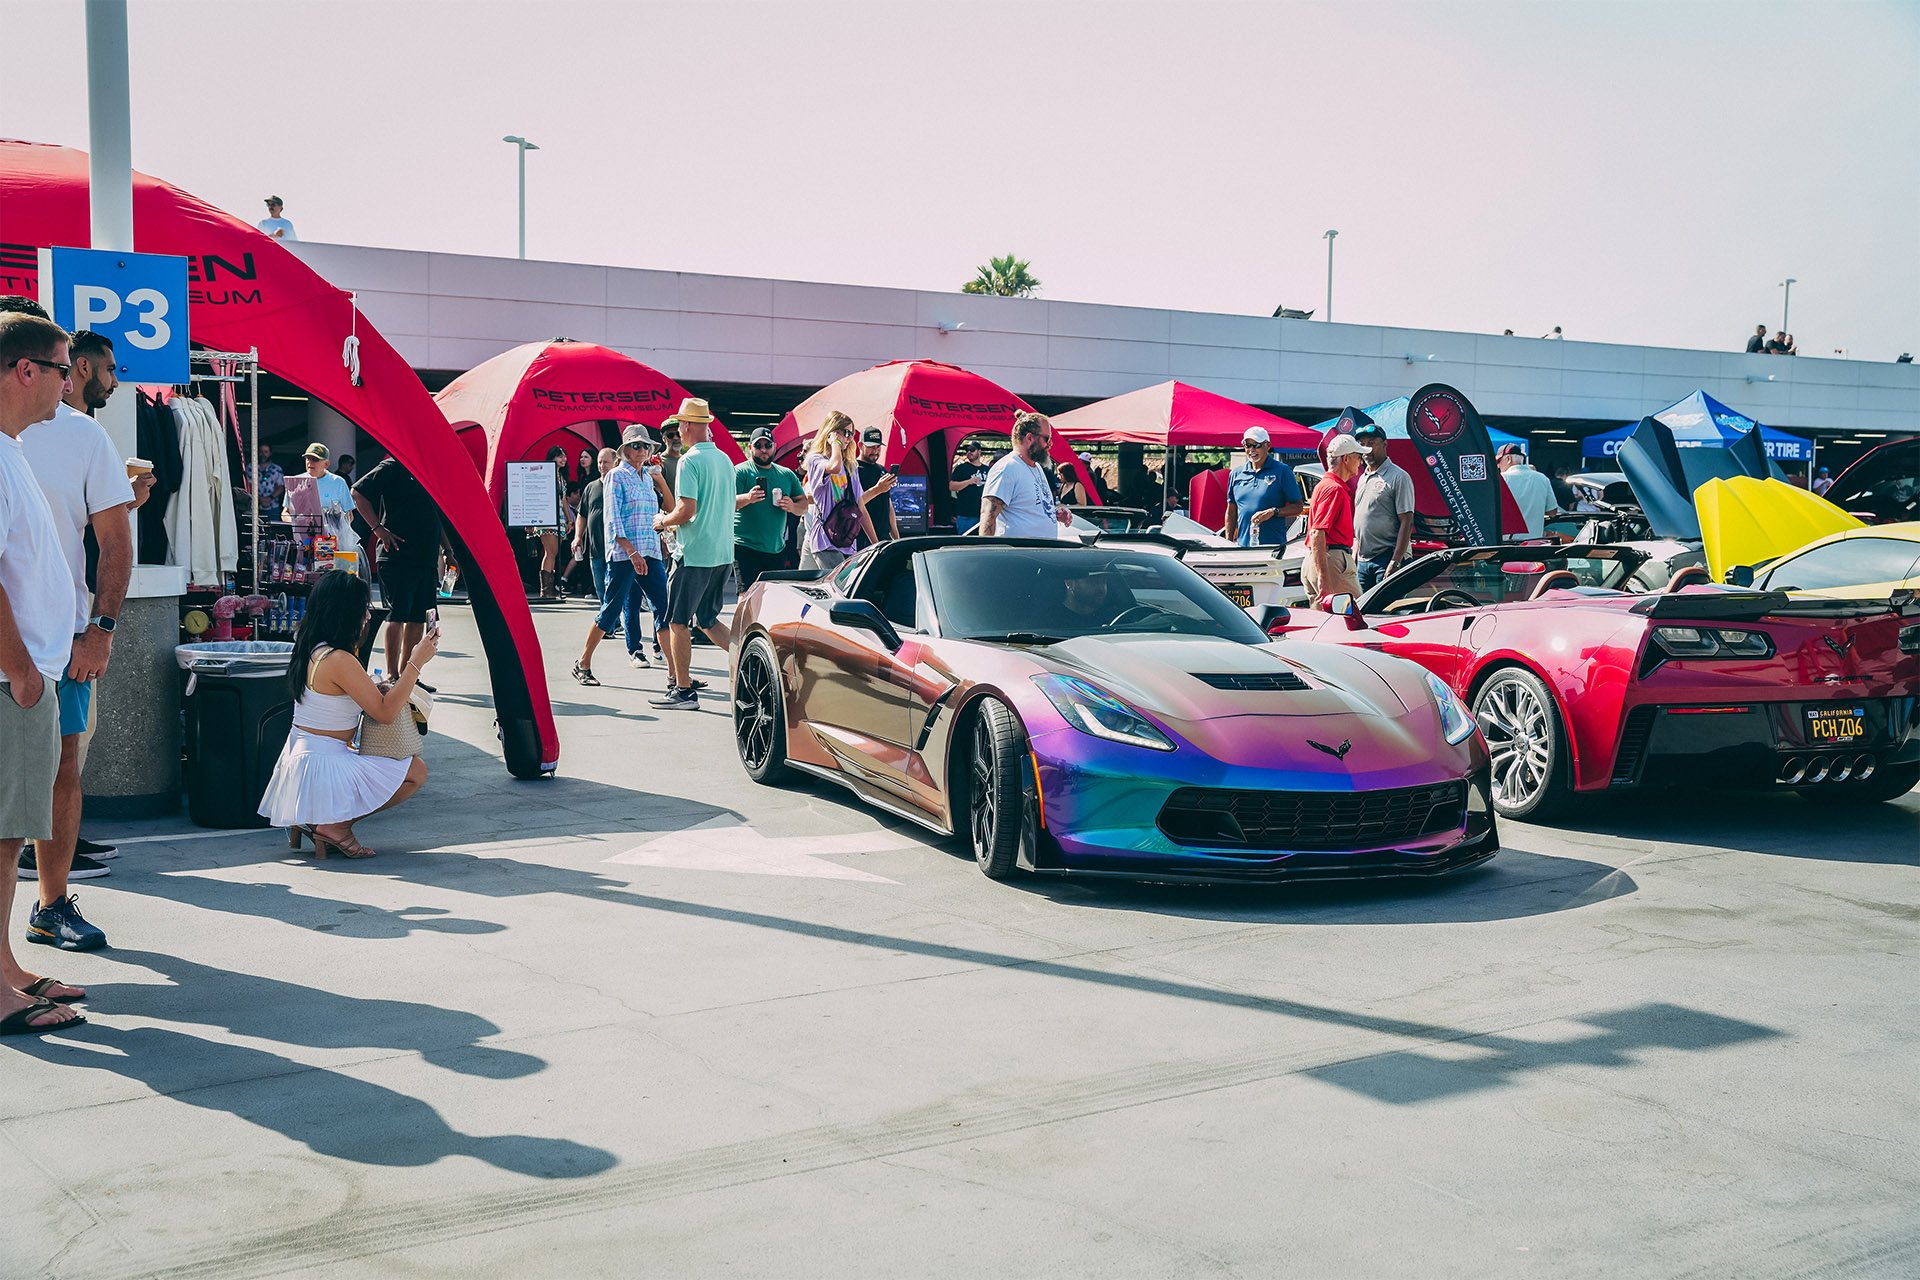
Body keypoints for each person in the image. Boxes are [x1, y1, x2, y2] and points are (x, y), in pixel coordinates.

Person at [15, 329, 135, 952]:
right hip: (12, 639)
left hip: (61, 642)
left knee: (62, 767)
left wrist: (102, 630)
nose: (68, 379)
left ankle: (51, 905)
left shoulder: (84, 435)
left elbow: (116, 542)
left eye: (70, 368)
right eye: (57, 367)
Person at [0, 314, 89, 1033]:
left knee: (7, 833)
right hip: (11, 679)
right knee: (1, 839)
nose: (71, 379)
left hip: (23, 675)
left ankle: (6, 970)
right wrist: (23, 671)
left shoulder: (11, 450)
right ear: (24, 370)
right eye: (63, 367)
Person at [258, 571, 431, 859]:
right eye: (363, 607)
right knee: (416, 772)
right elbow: (385, 713)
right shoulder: (340, 659)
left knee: (407, 769)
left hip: (304, 759)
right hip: (326, 762)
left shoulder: (311, 646)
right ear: (346, 613)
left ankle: (320, 821)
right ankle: (336, 825)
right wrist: (416, 661)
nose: (367, 615)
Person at [650, 399, 737, 710]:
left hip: (695, 552)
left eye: (680, 426)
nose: (679, 431)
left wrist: (663, 520)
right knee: (709, 620)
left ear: (686, 426)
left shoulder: (690, 461)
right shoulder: (725, 460)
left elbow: (687, 510)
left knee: (677, 622)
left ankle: (684, 691)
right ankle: (750, 668)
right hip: (723, 552)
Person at [575, 428, 668, 684]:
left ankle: (677, 675)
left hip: (650, 550)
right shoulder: (616, 476)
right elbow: (613, 520)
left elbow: (661, 512)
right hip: (623, 554)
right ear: (625, 450)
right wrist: (631, 551)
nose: (642, 451)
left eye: (646, 446)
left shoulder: (648, 478)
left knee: (663, 608)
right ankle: (583, 663)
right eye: (636, 446)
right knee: (611, 610)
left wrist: (657, 543)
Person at [351, 456, 443, 680]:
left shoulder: (432, 467)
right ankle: (392, 674)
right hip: (397, 555)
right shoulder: (394, 465)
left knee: (419, 618)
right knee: (397, 614)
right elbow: (357, 492)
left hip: (426, 557)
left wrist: (448, 551)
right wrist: (377, 528)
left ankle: (407, 675)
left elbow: (438, 516)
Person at [799, 412, 879, 571]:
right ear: (831, 433)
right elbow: (834, 467)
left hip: (845, 539)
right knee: (839, 591)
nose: (849, 439)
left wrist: (876, 544)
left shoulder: (851, 466)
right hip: (825, 539)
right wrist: (835, 442)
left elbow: (860, 506)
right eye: (846, 433)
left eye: (852, 434)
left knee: (811, 588)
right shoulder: (817, 460)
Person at [734, 427, 808, 590]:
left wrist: (792, 506)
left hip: (776, 548)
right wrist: (748, 498)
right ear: (750, 448)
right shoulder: (741, 471)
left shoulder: (786, 474)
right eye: (758, 446)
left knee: (771, 597)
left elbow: (804, 506)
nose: (763, 450)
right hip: (745, 546)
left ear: (774, 447)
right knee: (745, 595)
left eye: (767, 446)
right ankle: (743, 617)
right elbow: (726, 504)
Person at [980, 412, 1073, 538]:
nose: (1050, 444)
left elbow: (1030, 508)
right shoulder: (1007, 468)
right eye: (1047, 439)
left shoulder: (1036, 467)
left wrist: (1055, 512)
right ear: (1029, 438)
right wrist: (988, 554)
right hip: (1017, 555)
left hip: (1036, 555)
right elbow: (988, 516)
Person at [1351, 424, 1415, 591]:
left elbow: (1407, 521)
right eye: (1362, 444)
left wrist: (1396, 560)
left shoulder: (1398, 476)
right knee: (1363, 612)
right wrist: (1355, 553)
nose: (1366, 448)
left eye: (1372, 442)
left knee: (1386, 613)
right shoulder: (1362, 477)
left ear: (1385, 444)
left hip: (1387, 557)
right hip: (1363, 560)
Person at [1304, 435, 1365, 606]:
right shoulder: (1334, 489)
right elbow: (1317, 532)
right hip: (1332, 561)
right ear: (1346, 459)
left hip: (1318, 559)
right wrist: (1324, 577)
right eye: (1358, 457)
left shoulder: (1324, 485)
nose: (1360, 462)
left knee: (1325, 623)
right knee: (1356, 614)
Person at [1223, 425, 1304, 548]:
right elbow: (1231, 510)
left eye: (1256, 445)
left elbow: (1298, 507)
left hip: (1273, 548)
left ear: (1268, 446)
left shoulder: (1282, 471)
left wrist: (1274, 512)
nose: (1251, 450)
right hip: (1242, 548)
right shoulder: (1236, 473)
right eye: (1247, 446)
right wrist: (1228, 543)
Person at [571, 447, 618, 604]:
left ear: (615, 463)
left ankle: (613, 622)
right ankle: (612, 623)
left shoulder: (620, 485)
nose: (602, 466)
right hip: (595, 547)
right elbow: (582, 515)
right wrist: (578, 537)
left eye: (606, 462)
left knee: (614, 588)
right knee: (600, 588)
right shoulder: (591, 487)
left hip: (617, 548)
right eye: (599, 462)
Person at [529, 446, 571, 601]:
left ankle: (549, 587)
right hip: (545, 515)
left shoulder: (561, 477)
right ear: (552, 458)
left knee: (553, 553)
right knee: (550, 552)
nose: (563, 459)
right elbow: (536, 497)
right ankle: (546, 589)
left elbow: (564, 501)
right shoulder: (544, 474)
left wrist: (569, 519)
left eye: (564, 456)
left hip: (558, 516)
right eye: (559, 456)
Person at [1497, 443, 1559, 539]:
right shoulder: (1542, 478)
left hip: (1508, 544)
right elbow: (1552, 512)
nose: (1498, 466)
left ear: (1508, 459)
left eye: (1499, 461)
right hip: (1534, 543)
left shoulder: (1502, 479)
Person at [854, 428, 899, 547]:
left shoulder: (881, 469)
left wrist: (897, 538)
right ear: (860, 445)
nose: (875, 451)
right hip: (861, 538)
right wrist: (878, 489)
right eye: (871, 446)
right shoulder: (853, 469)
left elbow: (888, 504)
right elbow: (855, 504)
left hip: (883, 537)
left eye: (878, 447)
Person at [300, 442, 352, 515]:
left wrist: (334, 523)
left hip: (331, 526)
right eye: (308, 459)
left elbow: (349, 515)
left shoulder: (338, 482)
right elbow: (286, 513)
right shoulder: (297, 481)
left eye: (315, 459)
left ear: (326, 464)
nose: (310, 462)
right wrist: (298, 521)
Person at [950, 439, 988, 533]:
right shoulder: (961, 468)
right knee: (965, 542)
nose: (969, 452)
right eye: (967, 450)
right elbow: (952, 486)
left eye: (972, 450)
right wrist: (969, 481)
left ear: (979, 452)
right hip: (966, 514)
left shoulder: (987, 470)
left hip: (984, 513)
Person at [252, 443, 285, 522]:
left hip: (273, 507)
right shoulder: (251, 467)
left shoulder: (277, 469)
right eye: (261, 451)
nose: (263, 454)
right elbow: (248, 486)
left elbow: (281, 487)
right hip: (255, 507)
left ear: (270, 453)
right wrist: (260, 499)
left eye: (266, 452)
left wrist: (269, 498)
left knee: (273, 531)